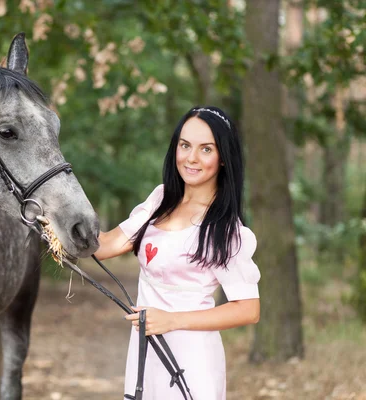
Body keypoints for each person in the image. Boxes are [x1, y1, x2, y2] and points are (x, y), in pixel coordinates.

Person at [94, 106, 261, 400]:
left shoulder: (223, 228)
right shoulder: (160, 201)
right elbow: (106, 245)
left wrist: (171, 320)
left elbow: (248, 309)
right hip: (146, 353)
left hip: (192, 358)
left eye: (206, 149)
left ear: (223, 158)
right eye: (185, 145)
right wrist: (54, 216)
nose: (191, 158)